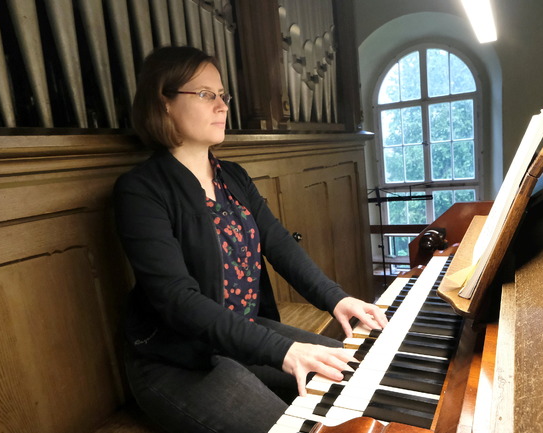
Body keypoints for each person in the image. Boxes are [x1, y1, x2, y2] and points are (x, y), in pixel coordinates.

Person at [114, 46, 388, 433]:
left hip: (245, 332)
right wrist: (283, 351)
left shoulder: (233, 177)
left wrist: (336, 298)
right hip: (178, 361)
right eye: (206, 94)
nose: (223, 106)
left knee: (363, 372)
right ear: (164, 103)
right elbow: (176, 299)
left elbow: (279, 245)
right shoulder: (140, 191)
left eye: (223, 95)